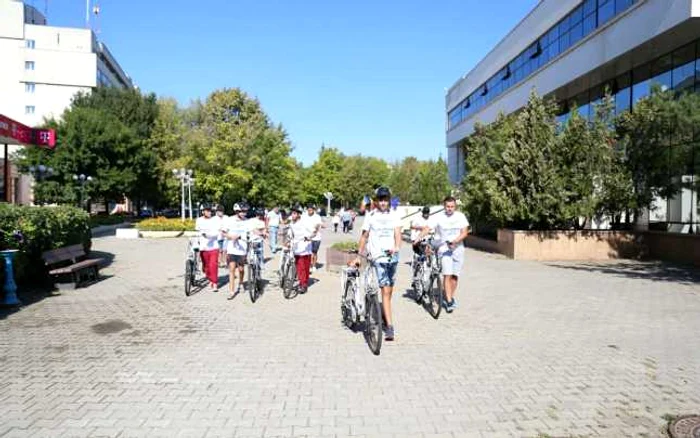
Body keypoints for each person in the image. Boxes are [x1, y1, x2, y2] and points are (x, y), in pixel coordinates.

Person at [353, 187, 402, 341]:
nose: (383, 202)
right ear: (376, 201)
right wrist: (359, 256)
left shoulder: (395, 215)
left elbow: (398, 234)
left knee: (388, 292)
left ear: (389, 200)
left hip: (391, 259)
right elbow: (364, 237)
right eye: (380, 200)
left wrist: (397, 247)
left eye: (385, 199)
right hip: (377, 259)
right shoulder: (371, 216)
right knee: (384, 292)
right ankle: (390, 327)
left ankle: (383, 314)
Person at [425, 196, 469, 313]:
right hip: (444, 249)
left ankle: (449, 296)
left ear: (455, 207)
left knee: (455, 276)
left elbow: (464, 233)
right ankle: (449, 301)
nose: (449, 209)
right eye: (447, 206)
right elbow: (428, 228)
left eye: (452, 207)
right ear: (444, 206)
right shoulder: (439, 217)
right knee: (447, 274)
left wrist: (455, 241)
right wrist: (419, 237)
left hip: (458, 249)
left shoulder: (460, 216)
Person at [223, 203, 250, 299]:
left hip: (242, 249)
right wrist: (231, 237)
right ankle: (231, 291)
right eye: (242, 211)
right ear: (237, 211)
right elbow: (223, 233)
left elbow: (251, 233)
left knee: (241, 269)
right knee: (232, 269)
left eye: (245, 211)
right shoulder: (230, 220)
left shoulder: (247, 221)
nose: (244, 213)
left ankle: (241, 282)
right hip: (232, 249)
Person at [195, 204, 220, 291]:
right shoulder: (199, 220)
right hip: (203, 247)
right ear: (203, 211)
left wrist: (209, 235)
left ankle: (215, 283)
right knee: (206, 267)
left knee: (213, 265)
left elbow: (217, 232)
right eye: (207, 210)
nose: (209, 212)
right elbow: (198, 232)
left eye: (210, 210)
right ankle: (210, 278)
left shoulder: (215, 220)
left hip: (214, 246)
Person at [289, 204, 313, 293]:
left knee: (305, 267)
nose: (292, 215)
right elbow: (290, 233)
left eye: (294, 213)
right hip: (296, 247)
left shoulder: (305, 222)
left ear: (299, 214)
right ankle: (302, 283)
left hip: (305, 248)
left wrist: (309, 237)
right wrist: (288, 240)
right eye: (292, 213)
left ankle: (304, 283)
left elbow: (313, 231)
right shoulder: (291, 223)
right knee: (300, 267)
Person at [410, 206, 432, 283]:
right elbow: (412, 226)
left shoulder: (431, 219)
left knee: (428, 252)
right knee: (418, 256)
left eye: (427, 213)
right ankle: (415, 274)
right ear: (422, 213)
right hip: (417, 240)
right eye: (425, 213)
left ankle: (428, 266)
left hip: (427, 240)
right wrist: (421, 228)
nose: (426, 215)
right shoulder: (417, 218)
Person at [302, 204, 323, 272]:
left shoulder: (317, 217)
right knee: (308, 253)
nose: (309, 211)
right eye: (308, 210)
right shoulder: (304, 216)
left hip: (316, 237)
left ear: (313, 210)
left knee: (314, 253)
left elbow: (318, 226)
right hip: (307, 237)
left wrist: (314, 232)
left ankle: (314, 265)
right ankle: (309, 265)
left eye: (310, 210)